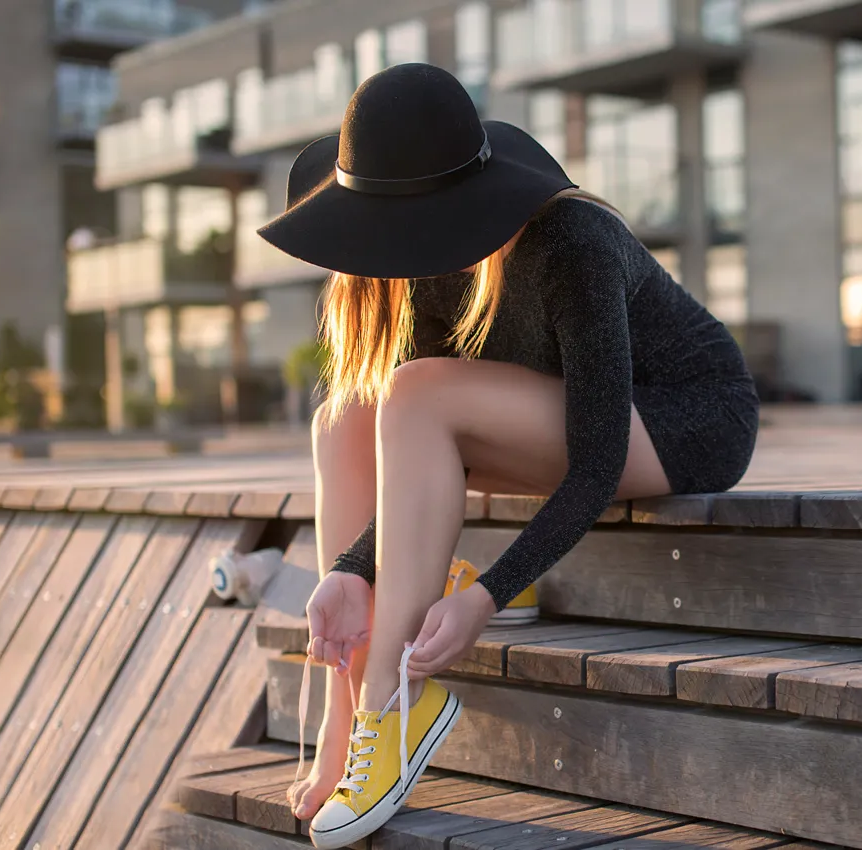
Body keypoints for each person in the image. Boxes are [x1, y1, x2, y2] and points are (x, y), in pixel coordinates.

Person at [258, 63, 759, 849]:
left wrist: (489, 594)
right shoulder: (419, 262)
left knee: (415, 390)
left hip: (680, 421)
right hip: (554, 428)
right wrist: (354, 570)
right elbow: (413, 451)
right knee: (343, 417)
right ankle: (346, 717)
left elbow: (596, 460)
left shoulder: (572, 241)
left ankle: (393, 700)